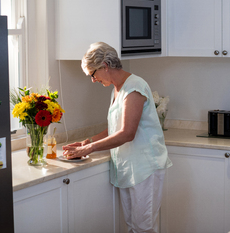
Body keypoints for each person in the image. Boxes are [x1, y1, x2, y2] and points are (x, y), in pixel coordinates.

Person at [62, 42, 172, 233]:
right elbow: (115, 128)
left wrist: (88, 149)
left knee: (143, 228)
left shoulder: (134, 86)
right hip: (129, 167)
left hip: (145, 167)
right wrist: (89, 141)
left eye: (92, 74)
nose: (93, 80)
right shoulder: (117, 88)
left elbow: (127, 133)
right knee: (131, 227)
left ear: (105, 65)